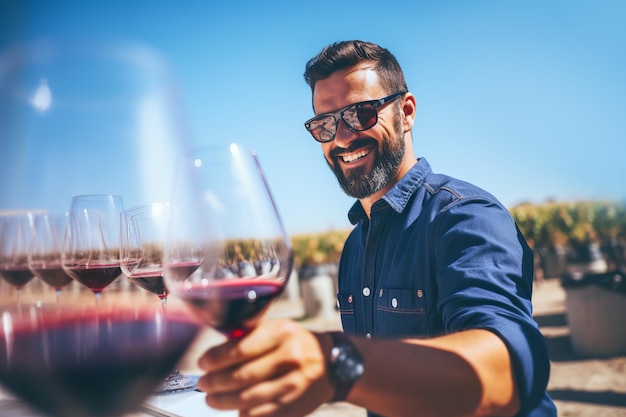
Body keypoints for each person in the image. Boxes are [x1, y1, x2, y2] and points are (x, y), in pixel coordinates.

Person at [197, 40, 557, 417]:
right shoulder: (356, 245)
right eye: (326, 123)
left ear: (407, 112)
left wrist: (336, 363)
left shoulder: (464, 216)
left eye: (361, 114)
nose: (342, 137)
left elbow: (511, 370)